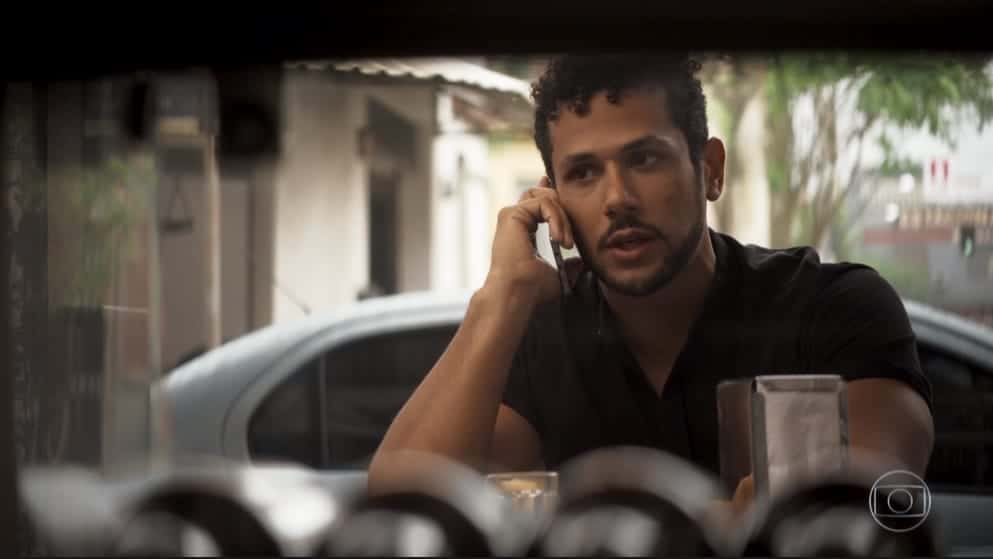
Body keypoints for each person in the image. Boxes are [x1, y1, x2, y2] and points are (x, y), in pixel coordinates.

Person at [368, 53, 934, 510]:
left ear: (710, 170)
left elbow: (876, 497)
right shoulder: (539, 333)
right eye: (583, 173)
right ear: (553, 196)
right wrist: (501, 297)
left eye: (645, 159)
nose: (618, 199)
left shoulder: (831, 306)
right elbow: (404, 504)